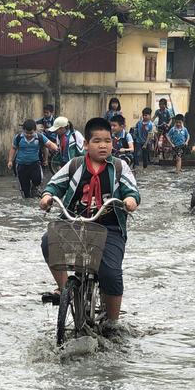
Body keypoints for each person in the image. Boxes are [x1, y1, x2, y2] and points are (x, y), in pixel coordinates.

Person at [39, 117, 140, 324]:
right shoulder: (75, 164)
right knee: (48, 241)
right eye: (97, 141)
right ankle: (68, 289)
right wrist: (47, 197)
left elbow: (132, 191)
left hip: (109, 227)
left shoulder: (120, 167)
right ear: (86, 144)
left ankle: (112, 322)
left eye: (107, 141)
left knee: (111, 273)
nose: (103, 145)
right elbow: (54, 185)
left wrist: (130, 200)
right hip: (74, 223)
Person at [8, 119, 58, 198]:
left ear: (35, 130)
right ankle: (27, 201)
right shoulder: (18, 137)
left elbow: (49, 144)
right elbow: (13, 148)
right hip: (21, 165)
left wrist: (56, 149)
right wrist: (10, 160)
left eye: (31, 133)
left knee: (38, 179)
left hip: (34, 163)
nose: (28, 135)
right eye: (26, 133)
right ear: (24, 130)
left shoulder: (39, 137)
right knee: (25, 189)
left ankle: (34, 188)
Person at [134, 108, 154, 173]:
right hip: (138, 141)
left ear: (150, 115)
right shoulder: (139, 123)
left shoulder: (150, 125)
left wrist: (145, 144)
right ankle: (136, 166)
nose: (145, 117)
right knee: (137, 154)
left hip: (146, 142)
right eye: (144, 115)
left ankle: (144, 168)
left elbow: (149, 135)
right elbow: (136, 130)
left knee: (145, 155)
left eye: (146, 115)